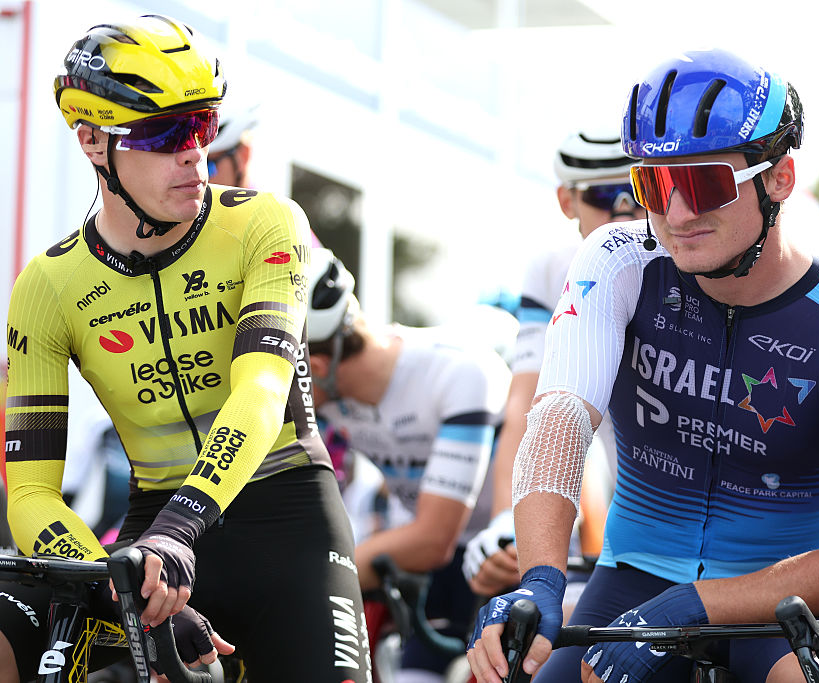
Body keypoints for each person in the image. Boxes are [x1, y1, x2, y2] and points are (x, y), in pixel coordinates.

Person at [467, 48, 819, 683]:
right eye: (652, 185)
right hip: (633, 580)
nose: (675, 215)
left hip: (779, 599)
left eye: (704, 184)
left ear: (778, 178)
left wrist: (700, 604)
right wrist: (541, 577)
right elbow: (560, 421)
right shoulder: (616, 261)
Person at [0, 15, 369, 682]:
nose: (194, 151)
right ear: (91, 141)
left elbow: (259, 391)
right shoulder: (48, 286)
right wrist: (122, 589)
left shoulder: (266, 223)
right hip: (153, 547)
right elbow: (29, 493)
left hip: (289, 523)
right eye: (166, 133)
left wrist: (177, 530)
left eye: (201, 126)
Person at [305, 247, 511, 683]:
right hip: (433, 566)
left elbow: (432, 539)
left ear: (318, 365)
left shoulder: (457, 371)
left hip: (506, 559)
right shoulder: (330, 395)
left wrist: (306, 582)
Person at [462, 129, 645, 598]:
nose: (624, 211)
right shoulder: (550, 269)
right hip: (601, 480)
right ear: (567, 201)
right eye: (606, 195)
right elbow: (526, 403)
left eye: (639, 190)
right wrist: (508, 520)